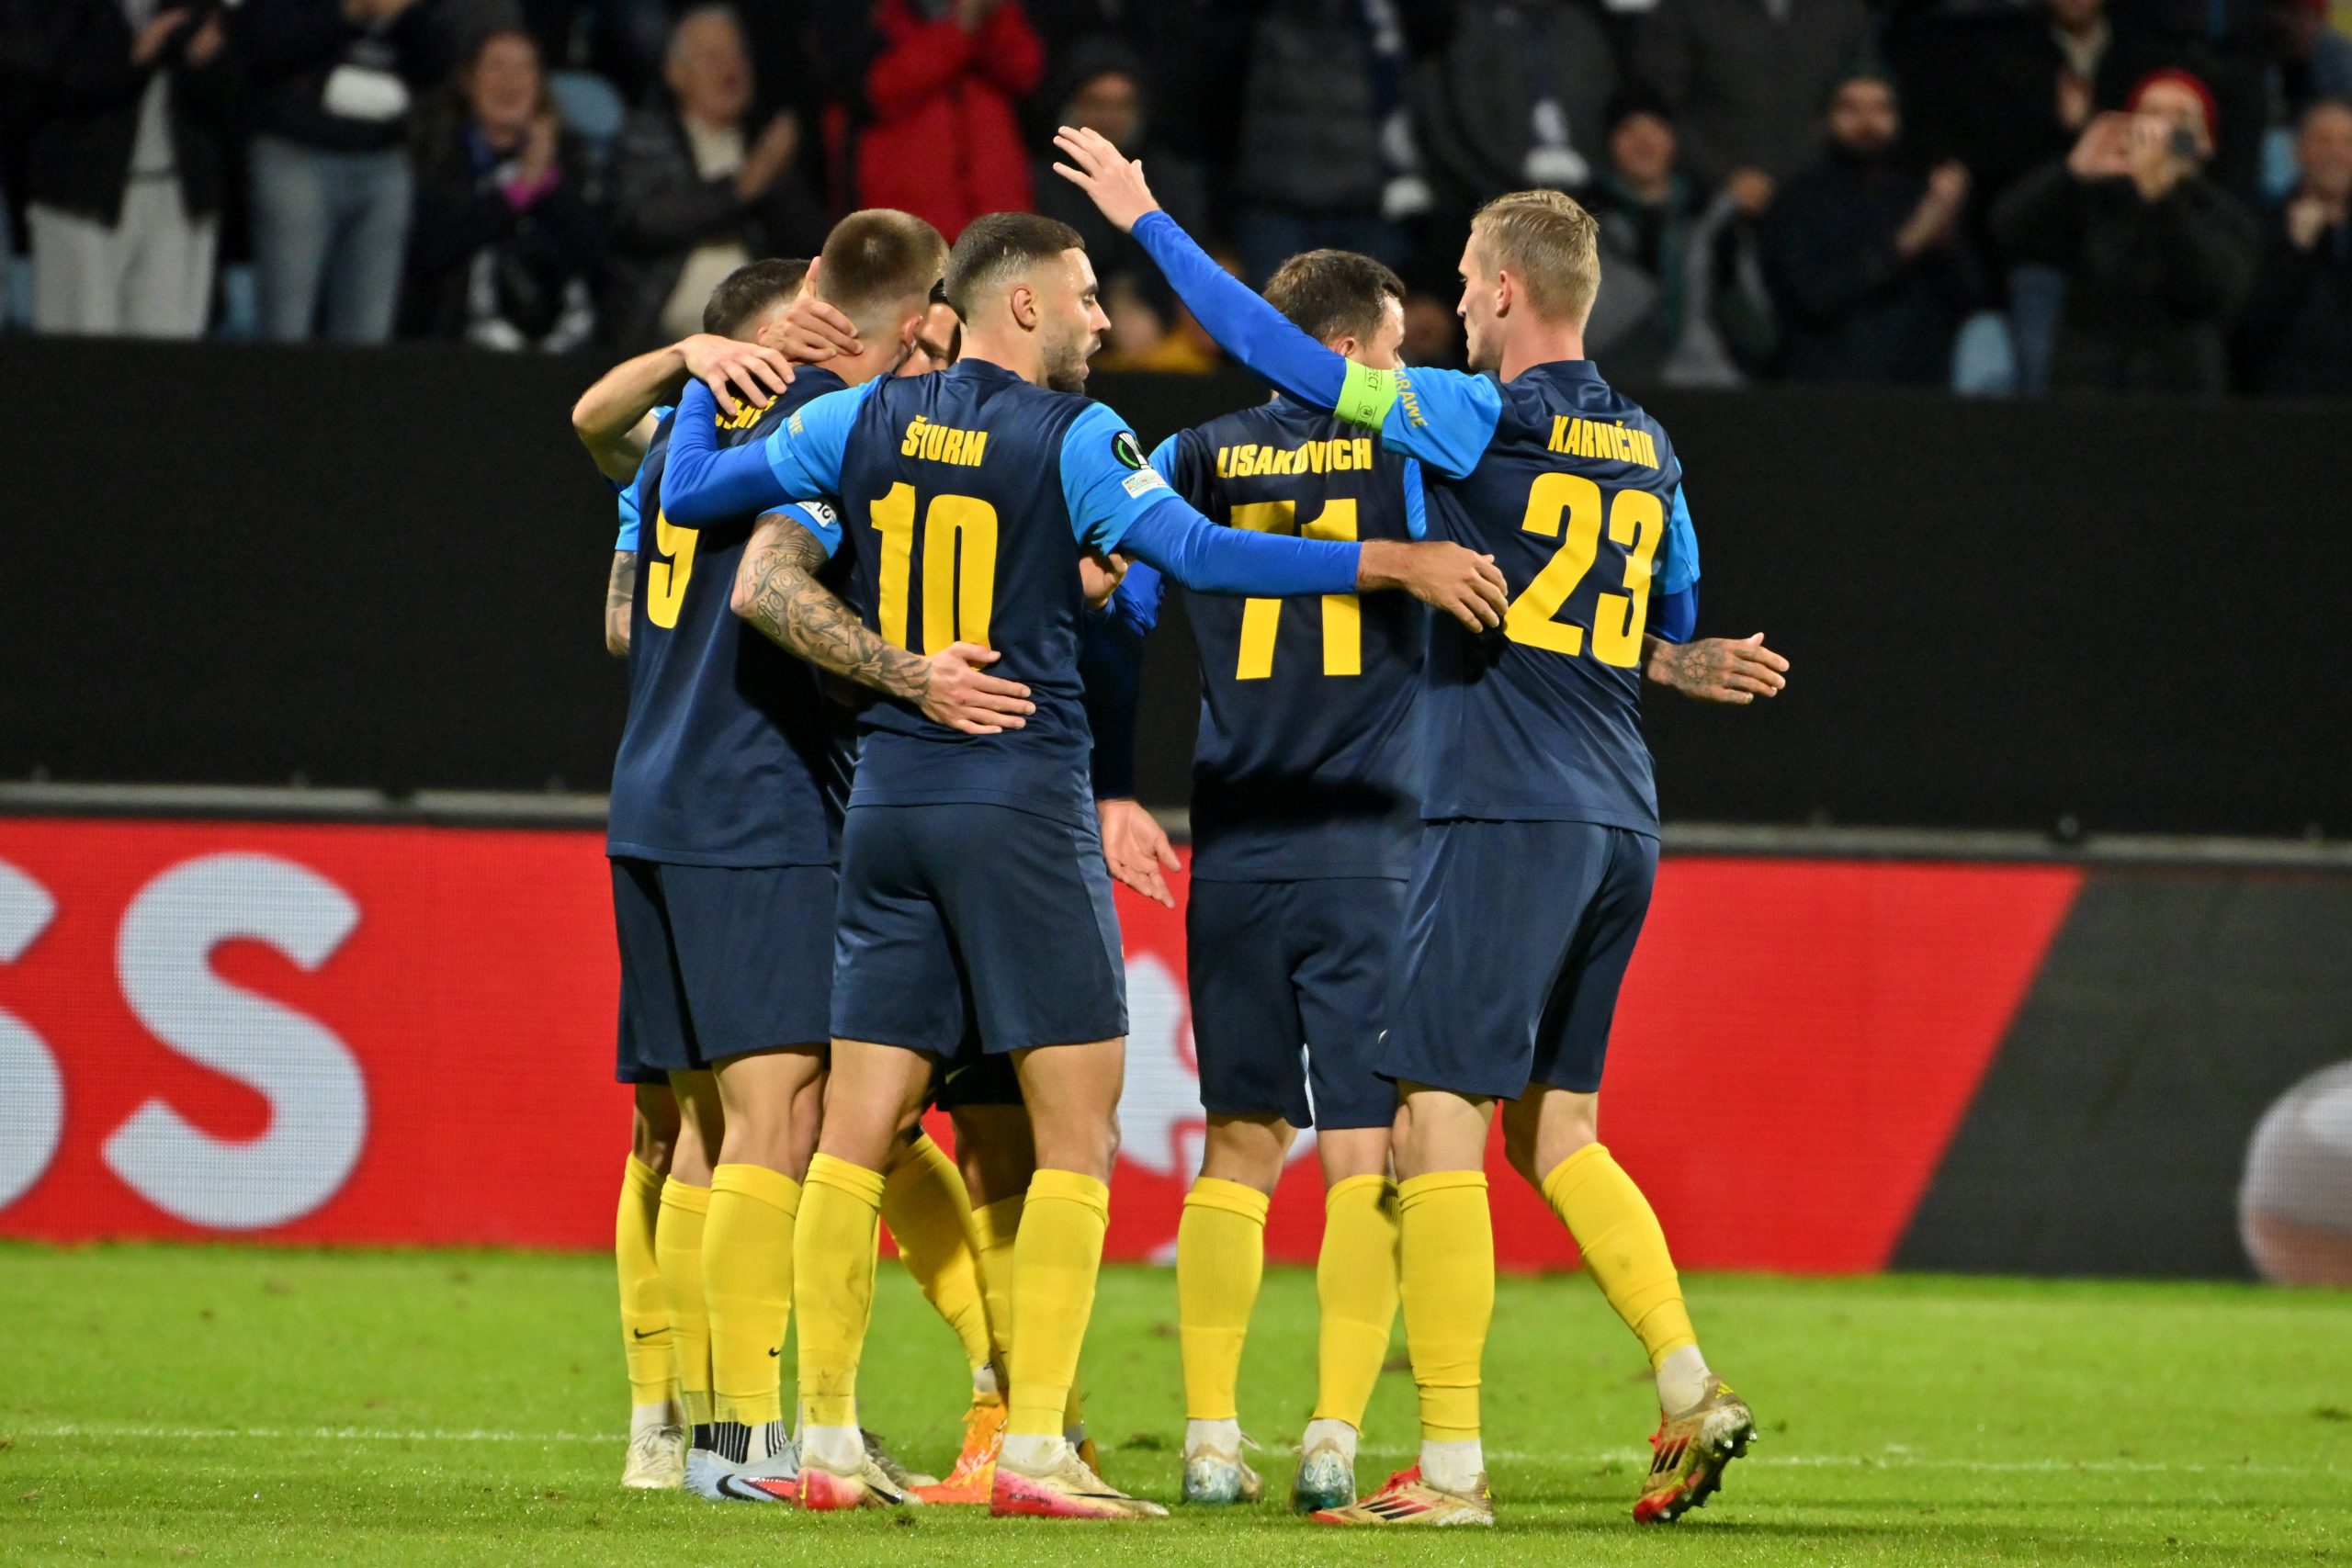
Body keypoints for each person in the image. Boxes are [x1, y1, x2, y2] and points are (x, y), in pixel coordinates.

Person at [655, 209, 1512, 1519]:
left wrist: (706, 377)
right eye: (1083, 297)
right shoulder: (1075, 436)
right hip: (1018, 800)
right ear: (1020, 306)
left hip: (889, 800)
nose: (1103, 321)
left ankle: (818, 1436)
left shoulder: (854, 417)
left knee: (852, 1130)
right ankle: (1036, 1447)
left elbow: (689, 495)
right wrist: (1384, 557)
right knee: (1076, 1137)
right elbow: (1202, 553)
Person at [1055, 123, 1777, 1529]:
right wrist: (1679, 660)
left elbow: (1269, 364)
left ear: (1504, 289)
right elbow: (1654, 613)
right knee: (1534, 1128)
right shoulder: (1640, 443)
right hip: (1594, 812)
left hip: (1453, 814)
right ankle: (1673, 1387)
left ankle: (1426, 1463)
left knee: (1408, 1122)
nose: (1447, 314)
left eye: (1460, 285)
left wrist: (1148, 217)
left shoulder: (1451, 418)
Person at [1992, 68, 2260, 392]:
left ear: (2205, 142)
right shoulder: (2096, 200)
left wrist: (2161, 197)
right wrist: (2072, 171)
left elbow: (2207, 291)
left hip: (2181, 395)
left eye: (2181, 117)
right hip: (2089, 392)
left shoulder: (2226, 215)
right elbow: (2008, 230)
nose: (2163, 128)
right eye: (2152, 113)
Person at [604, 4, 826, 347]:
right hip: (665, 341)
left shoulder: (763, 143)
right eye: (713, 57)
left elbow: (807, 243)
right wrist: (742, 188)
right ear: (676, 74)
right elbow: (642, 223)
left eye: (739, 56)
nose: (731, 69)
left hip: (764, 340)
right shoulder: (645, 138)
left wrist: (778, 178)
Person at [236, 0, 448, 343]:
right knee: (285, 328)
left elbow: (437, 64)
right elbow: (260, 43)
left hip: (383, 160)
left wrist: (412, 13)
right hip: (297, 155)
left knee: (366, 337)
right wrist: (350, 11)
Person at [21, 0, 237, 337]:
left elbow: (232, 99)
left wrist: (203, 63)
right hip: (81, 199)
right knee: (81, 344)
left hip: (177, 198)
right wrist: (133, 59)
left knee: (167, 345)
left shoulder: (194, 7)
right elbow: (42, 80)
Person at [1759, 69, 1984, 384]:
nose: (1867, 122)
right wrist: (1911, 239)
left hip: (1916, 388)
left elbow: (1971, 298)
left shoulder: (1917, 196)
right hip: (1824, 385)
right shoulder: (1798, 200)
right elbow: (1814, 297)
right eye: (1851, 109)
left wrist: (1946, 229)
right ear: (1826, 120)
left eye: (1881, 109)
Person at [401, 26, 602, 350]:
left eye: (524, 68)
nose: (510, 81)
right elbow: (433, 246)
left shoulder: (568, 154)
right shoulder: (438, 148)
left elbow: (591, 252)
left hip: (559, 346)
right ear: (468, 81)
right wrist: (522, 187)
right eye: (496, 66)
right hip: (457, 345)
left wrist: (549, 183)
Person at [1583, 87, 1774, 385]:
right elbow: (1575, 337)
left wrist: (1728, 282)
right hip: (1612, 389)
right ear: (1610, 143)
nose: (1644, 142)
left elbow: (1760, 339)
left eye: (1656, 128)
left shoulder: (1713, 221)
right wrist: (1643, 272)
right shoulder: (1579, 225)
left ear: (1673, 139)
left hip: (1703, 385)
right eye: (1629, 130)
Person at [819, 0, 1045, 240]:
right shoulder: (868, 18)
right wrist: (959, 30)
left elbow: (1025, 69)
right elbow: (877, 92)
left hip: (998, 217)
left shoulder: (987, 14)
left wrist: (989, 19)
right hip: (910, 227)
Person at [1633, 0, 1872, 218]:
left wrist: (1806, 169)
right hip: (1709, 205)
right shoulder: (1685, 8)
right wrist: (1722, 177)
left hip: (1823, 198)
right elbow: (1658, 108)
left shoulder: (1843, 8)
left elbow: (1865, 97)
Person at [2237, 96, 2352, 392]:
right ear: (2297, 150)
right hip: (2281, 399)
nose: (2336, 153)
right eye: (2323, 141)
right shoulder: (2259, 223)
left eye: (2347, 143)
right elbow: (2248, 325)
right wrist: (2295, 251)